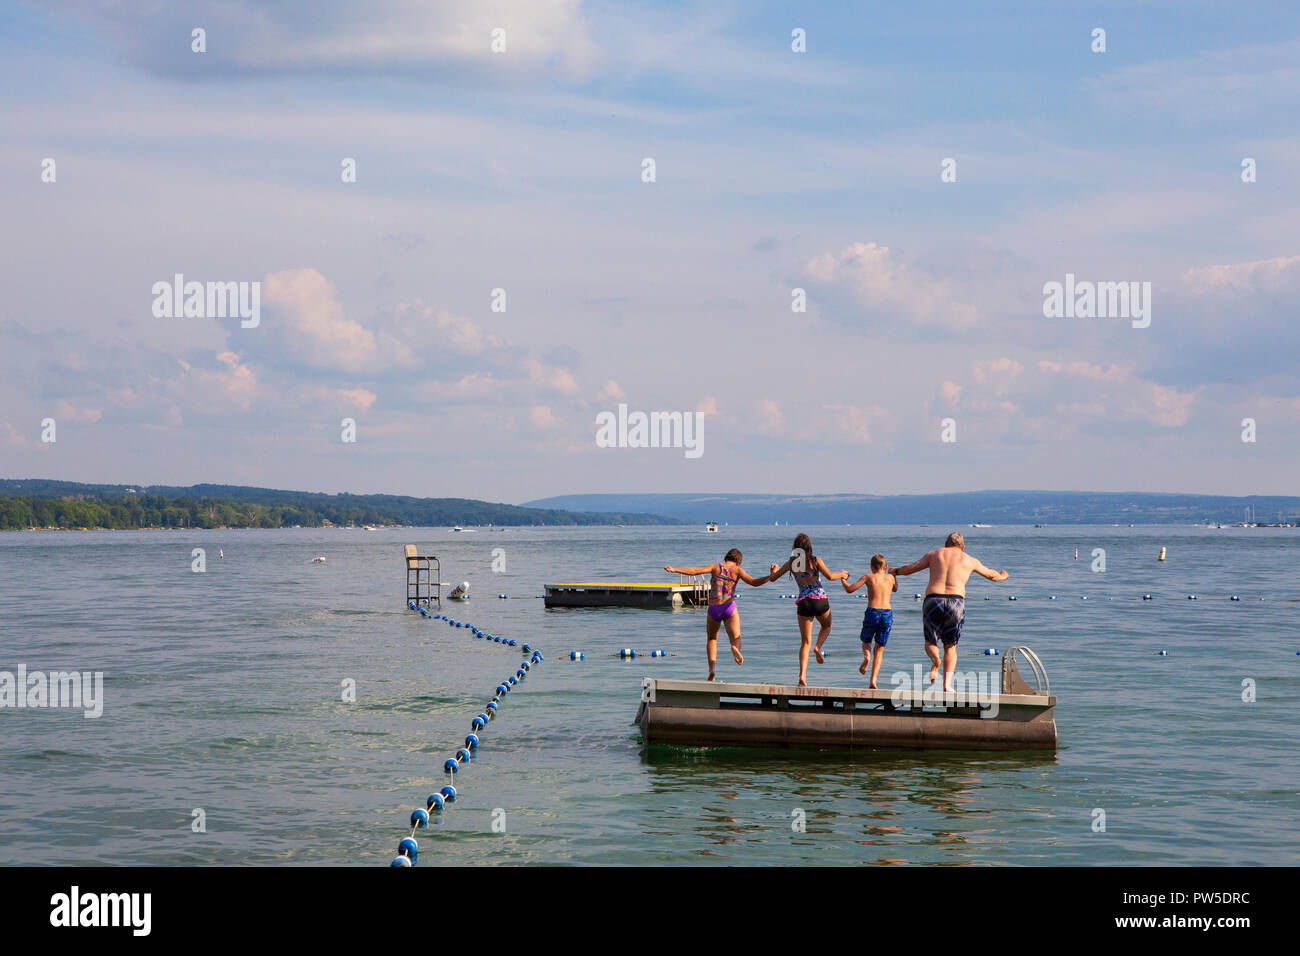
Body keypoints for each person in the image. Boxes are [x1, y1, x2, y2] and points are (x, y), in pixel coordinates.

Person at [890, 532, 1009, 692]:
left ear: (945, 544)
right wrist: (1003, 576)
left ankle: (935, 660)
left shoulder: (934, 554)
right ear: (963, 546)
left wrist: (895, 571)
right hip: (956, 601)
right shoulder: (969, 559)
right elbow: (991, 575)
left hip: (933, 599)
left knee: (931, 642)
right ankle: (946, 685)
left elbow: (910, 569)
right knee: (951, 646)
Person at [664, 549, 771, 682]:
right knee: (736, 638)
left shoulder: (715, 567)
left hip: (714, 607)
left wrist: (675, 569)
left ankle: (712, 670)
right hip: (729, 607)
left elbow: (695, 571)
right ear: (738, 561)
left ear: (726, 558)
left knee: (712, 639)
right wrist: (770, 576)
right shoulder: (737, 570)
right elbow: (754, 582)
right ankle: (735, 647)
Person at [767, 533, 848, 686]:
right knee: (826, 626)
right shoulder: (816, 560)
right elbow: (830, 576)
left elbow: (772, 578)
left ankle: (803, 676)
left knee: (805, 642)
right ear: (809, 546)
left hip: (804, 602)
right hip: (820, 600)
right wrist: (843, 574)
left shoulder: (791, 563)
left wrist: (774, 570)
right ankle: (818, 647)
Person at [842, 553, 896, 688]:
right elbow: (895, 589)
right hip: (887, 613)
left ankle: (867, 657)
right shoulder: (890, 578)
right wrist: (893, 574)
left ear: (872, 567)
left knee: (866, 642)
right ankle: (873, 681)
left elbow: (850, 589)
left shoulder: (868, 577)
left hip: (873, 612)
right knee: (880, 649)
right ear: (886, 566)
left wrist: (842, 579)